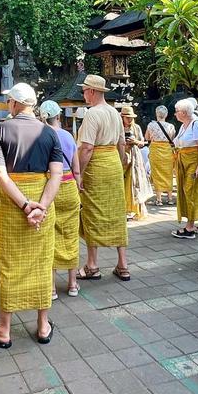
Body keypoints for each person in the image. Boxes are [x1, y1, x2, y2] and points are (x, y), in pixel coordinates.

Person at [0, 84, 64, 348]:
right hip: (42, 207)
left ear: (15, 104)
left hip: (12, 206)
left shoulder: (0, 130)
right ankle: (43, 326)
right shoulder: (50, 133)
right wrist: (41, 206)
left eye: (9, 101)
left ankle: (4, 329)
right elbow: (56, 174)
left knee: (9, 265)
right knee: (42, 264)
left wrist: (25, 205)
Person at [75, 75, 130, 281]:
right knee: (117, 212)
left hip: (96, 166)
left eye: (84, 91)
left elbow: (87, 148)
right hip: (113, 163)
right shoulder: (115, 113)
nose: (83, 95)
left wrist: (79, 173)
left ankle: (92, 265)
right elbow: (122, 143)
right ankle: (123, 264)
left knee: (93, 212)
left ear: (91, 91)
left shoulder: (92, 114)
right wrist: (121, 163)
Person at [40, 100, 81, 298]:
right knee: (71, 234)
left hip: (50, 188)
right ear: (58, 116)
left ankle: (52, 288)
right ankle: (72, 284)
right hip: (69, 185)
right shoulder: (68, 136)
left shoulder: (41, 136)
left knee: (51, 236)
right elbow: (76, 168)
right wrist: (79, 185)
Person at [171, 99, 198, 239]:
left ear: (183, 113)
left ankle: (190, 227)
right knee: (193, 191)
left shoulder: (196, 125)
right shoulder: (184, 126)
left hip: (194, 162)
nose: (175, 114)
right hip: (184, 161)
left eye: (177, 111)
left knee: (191, 191)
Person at [121, 106, 152, 221]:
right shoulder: (118, 127)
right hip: (122, 156)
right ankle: (123, 209)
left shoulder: (136, 127)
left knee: (134, 182)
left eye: (131, 118)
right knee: (123, 182)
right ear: (122, 117)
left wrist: (135, 141)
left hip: (134, 156)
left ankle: (134, 209)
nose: (129, 120)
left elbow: (143, 142)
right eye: (127, 117)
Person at [144, 105, 177, 206]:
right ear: (166, 115)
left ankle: (159, 199)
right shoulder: (171, 126)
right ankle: (170, 198)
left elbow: (147, 137)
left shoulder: (151, 125)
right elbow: (172, 138)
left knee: (157, 174)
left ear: (156, 114)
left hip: (155, 150)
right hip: (167, 150)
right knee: (168, 173)